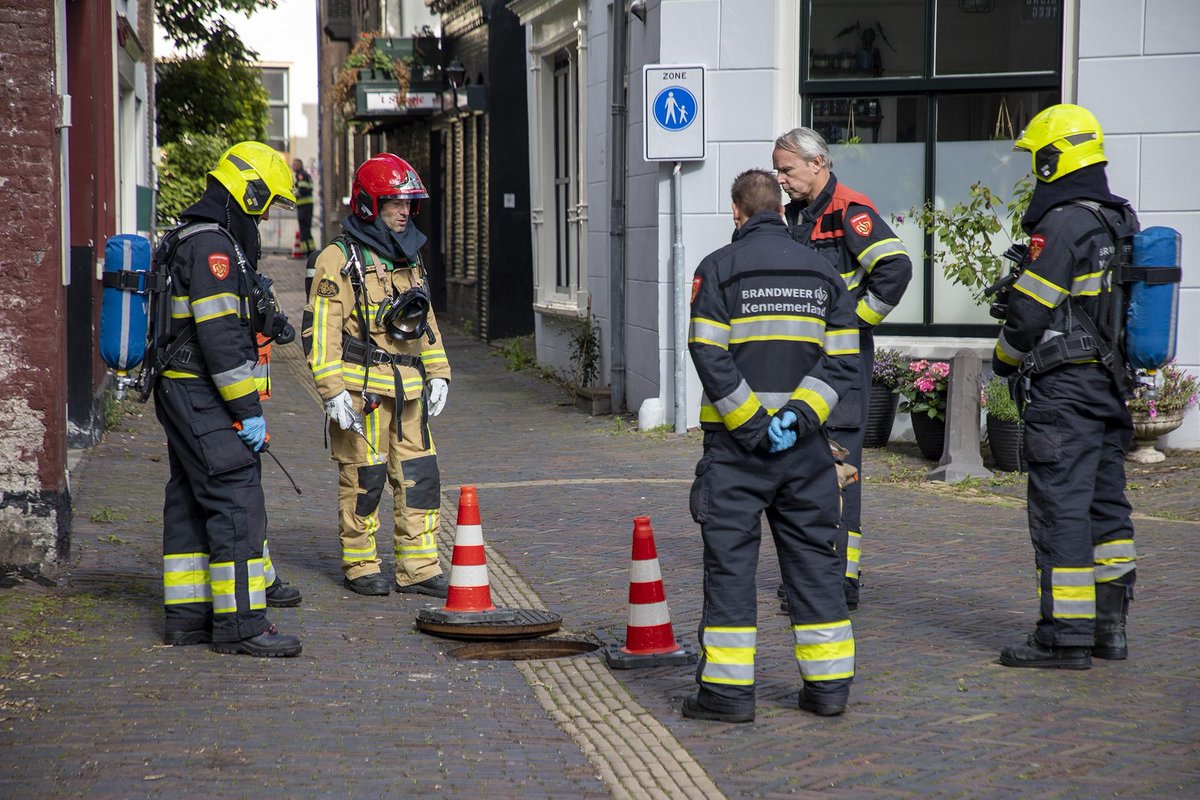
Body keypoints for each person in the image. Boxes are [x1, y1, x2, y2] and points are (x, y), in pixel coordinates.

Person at [683, 169, 860, 723]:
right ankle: (828, 690)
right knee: (814, 562)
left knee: (732, 568)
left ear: (738, 212)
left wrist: (755, 424)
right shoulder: (825, 272)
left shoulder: (716, 270)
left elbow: (708, 354)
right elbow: (844, 361)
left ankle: (729, 696)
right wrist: (796, 419)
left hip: (737, 453)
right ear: (781, 210)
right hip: (805, 451)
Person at [992, 104, 1139, 669]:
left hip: (1065, 392)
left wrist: (1004, 363)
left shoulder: (1062, 223)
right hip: (1110, 386)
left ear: (1056, 159)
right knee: (1108, 510)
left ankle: (1064, 637)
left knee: (1061, 510)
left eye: (1037, 159)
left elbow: (1028, 318)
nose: (1035, 171)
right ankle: (1110, 631)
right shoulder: (1120, 219)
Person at [154, 141, 302, 656]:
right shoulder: (214, 248)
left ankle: (189, 618)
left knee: (192, 497)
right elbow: (221, 341)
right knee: (237, 494)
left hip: (180, 388)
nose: (265, 215)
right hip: (202, 390)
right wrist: (248, 411)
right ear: (250, 190)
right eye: (266, 203)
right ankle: (242, 625)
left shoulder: (198, 236)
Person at [772, 127, 912, 610]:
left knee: (838, 468)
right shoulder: (794, 217)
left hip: (839, 366)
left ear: (818, 164)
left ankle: (839, 580)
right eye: (777, 170)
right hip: (801, 365)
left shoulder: (848, 210)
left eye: (787, 170)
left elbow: (895, 269)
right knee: (801, 467)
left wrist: (850, 328)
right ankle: (812, 572)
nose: (781, 179)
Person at [302, 153, 451, 598]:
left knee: (420, 478)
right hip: (361, 393)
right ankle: (361, 563)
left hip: (410, 392)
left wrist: (439, 371)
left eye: (409, 204)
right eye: (395, 203)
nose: (405, 211)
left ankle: (420, 567)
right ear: (370, 204)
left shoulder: (410, 256)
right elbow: (322, 330)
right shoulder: (338, 258)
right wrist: (331, 393)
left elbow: (427, 321)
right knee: (364, 480)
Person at [293, 158, 315, 257]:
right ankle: (308, 250)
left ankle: (308, 251)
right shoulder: (304, 175)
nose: (293, 166)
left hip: (304, 206)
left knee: (304, 229)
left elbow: (302, 190)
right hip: (306, 206)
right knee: (306, 229)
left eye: (295, 164)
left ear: (300, 165)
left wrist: (293, 194)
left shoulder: (301, 175)